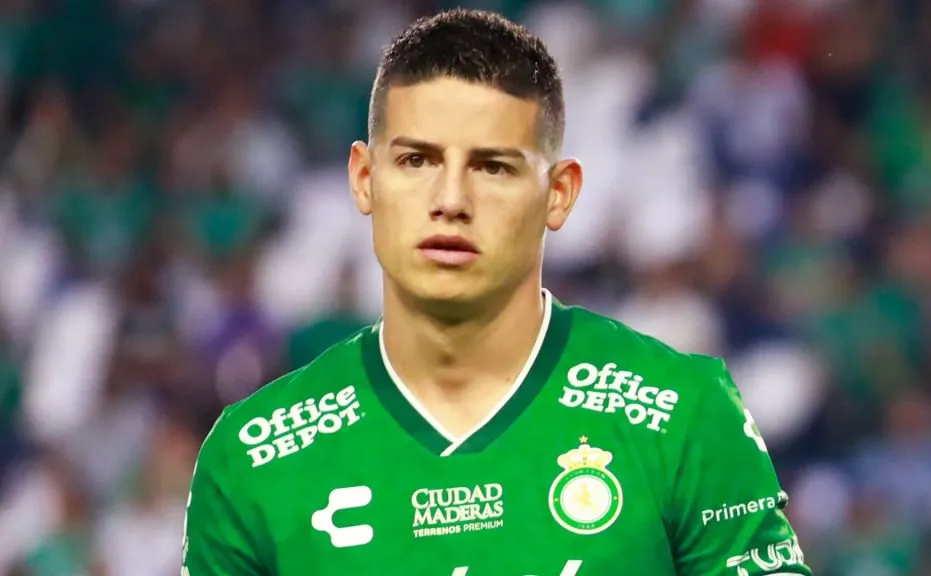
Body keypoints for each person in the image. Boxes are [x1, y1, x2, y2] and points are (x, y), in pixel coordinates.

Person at [181, 8, 812, 576]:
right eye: (416, 162)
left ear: (558, 193)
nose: (450, 201)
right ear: (365, 179)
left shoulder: (682, 414)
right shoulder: (252, 457)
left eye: (493, 167)